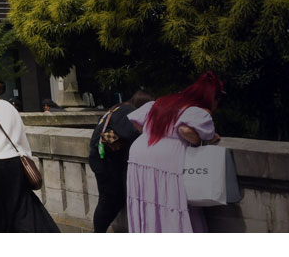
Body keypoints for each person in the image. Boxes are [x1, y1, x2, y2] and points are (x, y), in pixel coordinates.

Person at [0, 69, 59, 232]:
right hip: (14, 165)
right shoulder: (9, 107)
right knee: (19, 212)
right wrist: (27, 159)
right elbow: (21, 138)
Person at [126, 72, 224, 233]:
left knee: (147, 201)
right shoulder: (198, 110)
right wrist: (203, 138)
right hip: (167, 160)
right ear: (212, 98)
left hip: (140, 154)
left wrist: (155, 134)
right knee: (170, 203)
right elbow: (185, 129)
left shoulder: (164, 102)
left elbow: (137, 122)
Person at [90, 90, 153, 233]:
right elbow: (133, 134)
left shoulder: (118, 107)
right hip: (105, 161)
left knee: (113, 198)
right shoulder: (128, 112)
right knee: (108, 199)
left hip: (101, 156)